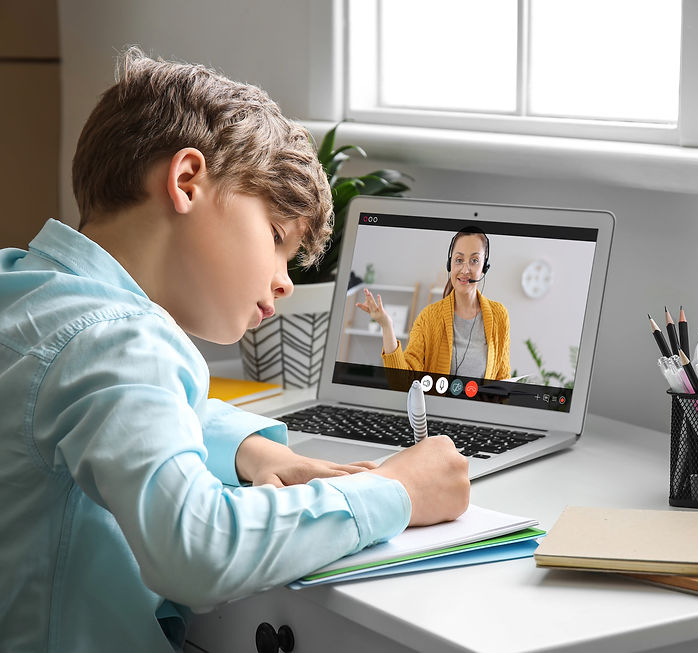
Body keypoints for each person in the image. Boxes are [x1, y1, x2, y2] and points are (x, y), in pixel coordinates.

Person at [0, 47, 469, 653]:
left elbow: (92, 406)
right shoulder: (119, 340)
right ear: (187, 181)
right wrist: (397, 493)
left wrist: (247, 450)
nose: (285, 280)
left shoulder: (26, 292)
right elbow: (197, 549)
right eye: (276, 237)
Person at [356, 226, 511, 380]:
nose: (465, 269)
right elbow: (401, 382)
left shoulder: (499, 315)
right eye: (459, 260)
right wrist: (386, 326)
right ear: (450, 264)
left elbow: (502, 379)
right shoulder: (428, 318)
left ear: (485, 267)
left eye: (474, 260)